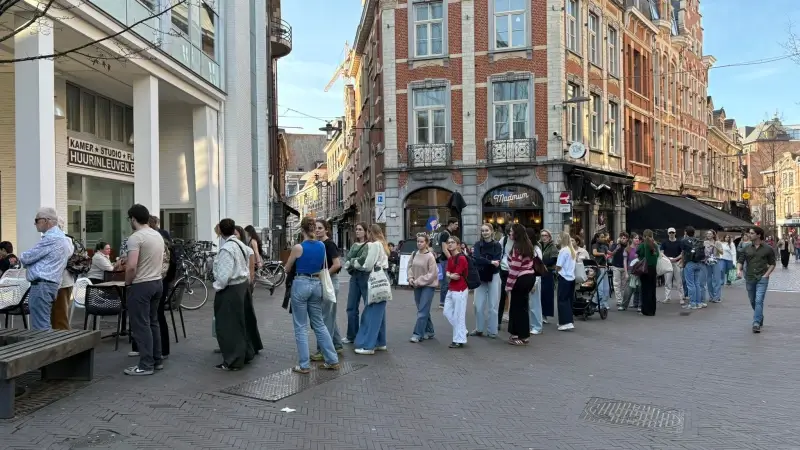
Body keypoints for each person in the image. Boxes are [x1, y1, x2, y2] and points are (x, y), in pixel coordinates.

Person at [283, 217, 340, 372]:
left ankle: (304, 365)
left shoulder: (298, 248)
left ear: (302, 231)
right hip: (317, 284)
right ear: (314, 229)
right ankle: (332, 359)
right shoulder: (322, 245)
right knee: (320, 324)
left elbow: (287, 268)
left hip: (301, 283)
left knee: (301, 326)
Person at [123, 204, 166, 376]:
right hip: (157, 282)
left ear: (133, 219)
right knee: (153, 322)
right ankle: (156, 360)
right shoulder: (157, 235)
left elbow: (132, 266)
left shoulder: (136, 238)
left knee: (141, 325)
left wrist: (127, 284)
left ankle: (146, 364)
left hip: (141, 284)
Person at [19, 207, 73, 331]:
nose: (35, 223)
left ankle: (47, 349)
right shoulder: (63, 238)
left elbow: (26, 258)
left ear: (46, 221)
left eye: (37, 220)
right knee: (48, 322)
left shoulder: (51, 238)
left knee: (41, 327)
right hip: (51, 284)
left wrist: (26, 260)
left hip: (42, 285)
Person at [353, 225, 391, 354]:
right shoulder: (383, 245)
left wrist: (355, 263)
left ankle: (368, 345)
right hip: (383, 277)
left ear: (370, 233)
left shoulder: (374, 245)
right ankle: (381, 342)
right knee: (380, 312)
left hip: (374, 277)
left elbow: (368, 265)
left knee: (372, 312)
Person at [311, 219, 344, 360]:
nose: (317, 230)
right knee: (329, 315)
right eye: (315, 228)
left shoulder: (329, 244)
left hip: (329, 281)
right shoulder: (319, 244)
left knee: (324, 318)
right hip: (326, 281)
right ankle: (337, 345)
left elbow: (337, 264)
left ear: (326, 229)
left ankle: (323, 350)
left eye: (320, 228)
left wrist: (323, 275)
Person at [737, 227, 776, 333]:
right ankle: (759, 316)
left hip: (762, 278)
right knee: (753, 300)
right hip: (749, 277)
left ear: (759, 235)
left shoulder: (768, 248)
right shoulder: (746, 248)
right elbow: (740, 261)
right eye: (749, 233)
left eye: (752, 233)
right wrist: (738, 270)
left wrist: (766, 274)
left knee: (759, 300)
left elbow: (773, 263)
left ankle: (756, 323)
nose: (749, 235)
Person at [505, 224, 536, 345]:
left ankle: (516, 335)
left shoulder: (517, 247)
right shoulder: (528, 245)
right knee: (523, 307)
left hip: (521, 278)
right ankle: (524, 335)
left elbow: (514, 268)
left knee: (516, 307)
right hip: (529, 277)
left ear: (516, 233)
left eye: (511, 232)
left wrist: (508, 285)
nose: (510, 234)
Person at [235, 225, 263, 355]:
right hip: (239, 285)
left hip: (244, 286)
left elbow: (251, 270)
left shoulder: (247, 247)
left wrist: (250, 283)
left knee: (246, 313)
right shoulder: (236, 248)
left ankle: (249, 343)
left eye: (236, 234)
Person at [471, 223, 502, 338]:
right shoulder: (478, 244)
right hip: (481, 276)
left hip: (494, 276)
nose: (484, 233)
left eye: (486, 230)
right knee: (477, 305)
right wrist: (489, 262)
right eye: (483, 231)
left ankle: (492, 331)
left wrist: (488, 261)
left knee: (493, 305)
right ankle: (479, 329)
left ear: (492, 231)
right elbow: (476, 259)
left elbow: (497, 260)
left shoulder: (497, 245)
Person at [406, 233, 438, 342]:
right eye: (418, 241)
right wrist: (410, 278)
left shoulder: (430, 256)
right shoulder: (414, 254)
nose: (419, 243)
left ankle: (417, 334)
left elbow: (432, 274)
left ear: (426, 243)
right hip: (416, 285)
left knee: (422, 310)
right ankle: (430, 331)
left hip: (428, 286)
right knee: (422, 309)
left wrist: (418, 281)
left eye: (422, 241)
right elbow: (410, 267)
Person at [343, 223, 370, 343]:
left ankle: (366, 334)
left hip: (365, 276)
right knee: (351, 307)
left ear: (365, 232)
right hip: (354, 276)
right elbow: (347, 260)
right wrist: (353, 262)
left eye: (360, 229)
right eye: (356, 229)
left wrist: (352, 261)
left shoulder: (369, 245)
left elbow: (362, 260)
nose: (358, 231)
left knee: (368, 305)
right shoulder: (354, 245)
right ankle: (351, 335)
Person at [442, 235, 468, 348]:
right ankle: (462, 331)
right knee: (447, 311)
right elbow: (448, 273)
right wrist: (450, 275)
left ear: (458, 245)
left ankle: (458, 340)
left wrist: (450, 275)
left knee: (459, 315)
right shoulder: (451, 259)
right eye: (448, 242)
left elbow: (456, 275)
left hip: (461, 289)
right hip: (452, 288)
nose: (450, 244)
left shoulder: (461, 258)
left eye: (452, 242)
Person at [681, 226, 706, 311]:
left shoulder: (684, 241)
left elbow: (682, 251)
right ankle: (698, 303)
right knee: (697, 283)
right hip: (698, 263)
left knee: (690, 284)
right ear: (694, 233)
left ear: (686, 233)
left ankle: (692, 303)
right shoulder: (698, 240)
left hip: (689, 263)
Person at [555, 232, 576, 331]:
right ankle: (568, 320)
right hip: (571, 277)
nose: (557, 239)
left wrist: (556, 270)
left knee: (562, 300)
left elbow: (559, 265)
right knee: (568, 300)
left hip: (564, 277)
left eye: (558, 237)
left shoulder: (563, 250)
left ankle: (565, 322)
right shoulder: (571, 250)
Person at [437, 218, 460, 309]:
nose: (457, 226)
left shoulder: (449, 234)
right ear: (451, 224)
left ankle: (445, 301)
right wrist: (451, 259)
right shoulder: (445, 234)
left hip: (447, 260)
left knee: (447, 281)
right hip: (445, 260)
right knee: (445, 282)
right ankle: (442, 302)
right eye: (456, 224)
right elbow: (444, 248)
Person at [636, 229, 659, 316]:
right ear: (652, 236)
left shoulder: (642, 245)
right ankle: (652, 310)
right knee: (652, 289)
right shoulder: (655, 245)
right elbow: (658, 255)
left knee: (645, 289)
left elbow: (637, 253)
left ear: (644, 236)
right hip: (653, 269)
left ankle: (645, 310)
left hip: (644, 269)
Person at [526, 228, 544, 336]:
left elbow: (538, 267)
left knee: (535, 303)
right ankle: (533, 325)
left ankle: (537, 326)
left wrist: (535, 283)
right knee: (529, 304)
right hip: (527, 278)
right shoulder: (528, 248)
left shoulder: (536, 249)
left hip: (534, 279)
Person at [660, 227, 684, 304]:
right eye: (670, 232)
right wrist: (668, 259)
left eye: (672, 232)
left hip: (677, 262)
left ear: (675, 233)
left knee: (679, 281)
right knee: (667, 281)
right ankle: (667, 297)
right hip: (667, 263)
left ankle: (681, 297)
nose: (671, 234)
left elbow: (682, 253)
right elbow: (661, 252)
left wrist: (676, 258)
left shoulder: (679, 242)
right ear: (668, 233)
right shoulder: (664, 242)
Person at [539, 229, 558, 323]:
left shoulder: (552, 247)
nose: (544, 237)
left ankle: (545, 315)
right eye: (542, 235)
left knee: (546, 294)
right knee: (539, 293)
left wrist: (543, 264)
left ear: (549, 237)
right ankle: (539, 313)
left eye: (546, 235)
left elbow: (553, 259)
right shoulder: (539, 245)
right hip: (538, 272)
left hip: (548, 272)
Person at [497, 227, 514, 327]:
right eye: (509, 233)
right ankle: (498, 321)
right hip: (504, 269)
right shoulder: (504, 239)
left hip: (516, 271)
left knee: (515, 296)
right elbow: (499, 250)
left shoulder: (520, 241)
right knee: (503, 295)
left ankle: (513, 320)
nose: (511, 235)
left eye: (512, 232)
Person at [591, 233, 611, 311]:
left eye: (604, 237)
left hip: (604, 268)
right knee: (600, 288)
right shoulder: (595, 245)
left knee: (606, 288)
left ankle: (603, 303)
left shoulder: (604, 246)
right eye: (602, 237)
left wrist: (617, 249)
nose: (604, 238)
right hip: (598, 268)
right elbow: (594, 253)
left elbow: (610, 253)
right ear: (597, 238)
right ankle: (596, 303)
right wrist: (603, 254)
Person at [609, 232, 629, 308]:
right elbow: (611, 253)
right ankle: (619, 300)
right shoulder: (615, 245)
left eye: (624, 238)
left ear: (627, 239)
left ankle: (623, 300)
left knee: (624, 285)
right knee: (617, 284)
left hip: (625, 267)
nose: (622, 239)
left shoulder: (628, 246)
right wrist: (617, 247)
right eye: (621, 238)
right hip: (616, 266)